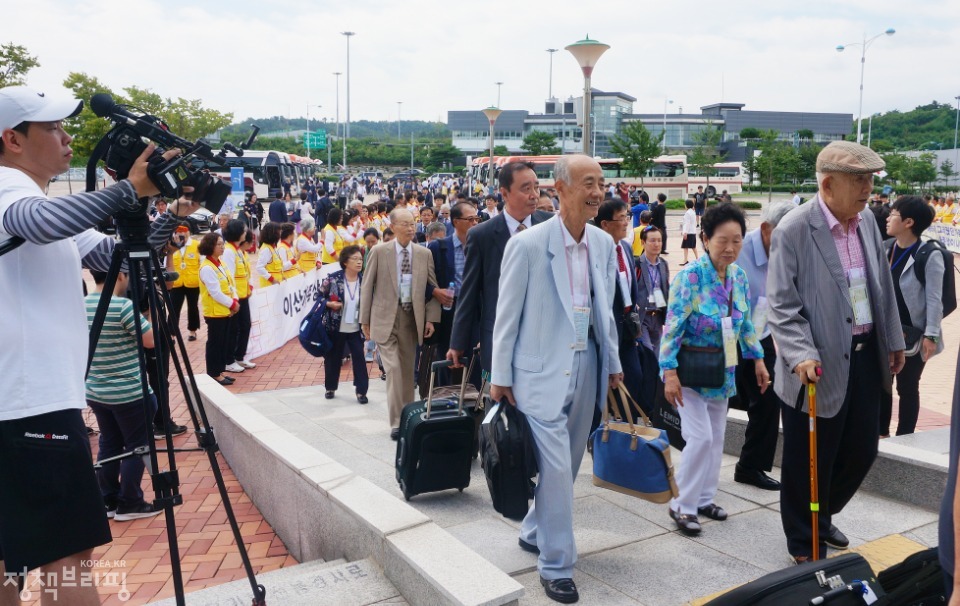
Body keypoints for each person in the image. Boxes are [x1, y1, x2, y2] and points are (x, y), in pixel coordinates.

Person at [0, 84, 196, 604]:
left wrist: (169, 210)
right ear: (11, 140)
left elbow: (113, 255)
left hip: (26, 403)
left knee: (10, 560)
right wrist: (128, 189)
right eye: (53, 127)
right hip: (31, 405)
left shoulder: (36, 199)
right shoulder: (6, 191)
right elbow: (37, 224)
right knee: (69, 557)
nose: (67, 138)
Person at [490, 155, 622, 604]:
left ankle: (533, 529)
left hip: (587, 365)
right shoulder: (528, 246)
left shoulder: (604, 245)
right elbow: (506, 317)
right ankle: (557, 565)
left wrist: (615, 365)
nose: (598, 192)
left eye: (601, 183)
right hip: (538, 372)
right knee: (559, 468)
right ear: (560, 189)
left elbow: (604, 312)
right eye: (589, 183)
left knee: (565, 461)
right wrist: (500, 375)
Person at [767, 140, 905, 563]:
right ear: (828, 184)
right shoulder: (794, 228)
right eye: (859, 180)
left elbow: (881, 286)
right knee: (810, 457)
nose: (868, 189)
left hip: (864, 355)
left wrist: (894, 340)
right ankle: (803, 540)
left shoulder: (864, 221)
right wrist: (800, 354)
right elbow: (781, 305)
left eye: (869, 180)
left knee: (863, 448)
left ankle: (823, 515)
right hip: (815, 363)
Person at [660, 202, 768, 536]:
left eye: (737, 240)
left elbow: (746, 322)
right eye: (723, 240)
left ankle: (705, 498)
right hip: (690, 371)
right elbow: (672, 326)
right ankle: (682, 504)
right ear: (705, 239)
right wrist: (669, 372)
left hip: (724, 369)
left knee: (717, 436)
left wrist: (759, 359)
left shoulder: (738, 276)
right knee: (701, 438)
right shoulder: (691, 277)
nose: (730, 248)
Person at [447, 161, 553, 379]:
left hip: (547, 338)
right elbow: (469, 292)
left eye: (536, 187)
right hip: (501, 338)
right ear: (504, 193)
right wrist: (457, 343)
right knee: (505, 403)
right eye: (526, 189)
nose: (534, 194)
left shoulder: (552, 226)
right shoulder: (482, 235)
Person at [85, 270, 163, 522]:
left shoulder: (81, 305)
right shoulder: (121, 306)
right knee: (138, 446)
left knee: (109, 442)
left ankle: (107, 498)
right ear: (119, 275)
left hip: (96, 390)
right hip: (130, 392)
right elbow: (151, 341)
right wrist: (153, 310)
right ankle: (130, 502)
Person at [360, 208, 440, 440]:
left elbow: (432, 288)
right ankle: (397, 422)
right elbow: (367, 286)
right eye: (405, 224)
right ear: (393, 227)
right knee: (393, 369)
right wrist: (364, 319)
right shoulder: (379, 251)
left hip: (410, 318)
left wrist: (432, 318)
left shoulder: (423, 254)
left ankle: (409, 417)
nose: (410, 227)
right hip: (384, 318)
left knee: (407, 372)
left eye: (413, 223)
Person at [732, 201, 795, 491]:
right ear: (767, 229)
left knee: (769, 398)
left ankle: (750, 466)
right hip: (730, 334)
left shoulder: (790, 250)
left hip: (762, 332)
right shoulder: (738, 249)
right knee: (722, 398)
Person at [880, 196, 943, 437]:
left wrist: (931, 335)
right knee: (883, 385)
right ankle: (881, 433)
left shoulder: (929, 254)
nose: (887, 218)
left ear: (908, 222)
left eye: (893, 214)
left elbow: (934, 299)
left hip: (915, 336)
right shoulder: (887, 248)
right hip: (885, 331)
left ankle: (905, 437)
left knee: (907, 387)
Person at [596, 199, 645, 414]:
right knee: (606, 383)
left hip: (627, 327)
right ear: (605, 224)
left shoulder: (624, 247)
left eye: (627, 217)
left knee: (634, 378)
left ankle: (625, 431)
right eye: (622, 218)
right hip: (606, 328)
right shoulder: (596, 252)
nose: (626, 222)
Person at [426, 202, 478, 385]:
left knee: (474, 359)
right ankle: (443, 401)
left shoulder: (480, 245)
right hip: (448, 309)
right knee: (446, 358)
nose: (475, 223)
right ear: (456, 221)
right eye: (470, 219)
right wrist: (434, 291)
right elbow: (422, 280)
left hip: (475, 309)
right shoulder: (438, 248)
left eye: (476, 219)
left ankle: (473, 403)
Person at [320, 245, 370, 404]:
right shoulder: (332, 278)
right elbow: (318, 297)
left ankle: (361, 391)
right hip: (336, 326)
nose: (359, 262)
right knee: (333, 358)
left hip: (356, 327)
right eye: (355, 259)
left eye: (360, 259)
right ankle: (330, 387)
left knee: (359, 359)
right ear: (345, 262)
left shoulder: (365, 280)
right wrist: (329, 304)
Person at [198, 233, 239, 386]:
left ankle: (220, 371)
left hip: (225, 310)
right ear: (210, 246)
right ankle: (214, 373)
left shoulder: (219, 263)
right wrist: (232, 304)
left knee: (223, 342)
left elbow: (230, 283)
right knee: (215, 343)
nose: (222, 247)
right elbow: (215, 292)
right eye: (219, 244)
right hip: (215, 312)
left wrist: (234, 299)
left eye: (223, 244)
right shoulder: (207, 267)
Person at [222, 219, 256, 373]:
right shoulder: (229, 251)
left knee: (245, 326)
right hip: (236, 298)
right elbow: (229, 278)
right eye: (243, 230)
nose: (245, 233)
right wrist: (232, 300)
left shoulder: (238, 250)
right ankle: (229, 360)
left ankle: (240, 357)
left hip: (244, 295)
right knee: (233, 329)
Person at [635, 226, 669, 353]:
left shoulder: (664, 264)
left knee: (656, 355)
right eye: (653, 240)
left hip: (658, 316)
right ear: (643, 243)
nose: (657, 244)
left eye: (659, 240)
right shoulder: (637, 264)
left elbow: (666, 289)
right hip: (642, 317)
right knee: (647, 352)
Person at [168, 222, 202, 341]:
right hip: (176, 282)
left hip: (192, 282)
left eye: (184, 231)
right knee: (173, 308)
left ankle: (192, 331)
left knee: (193, 307)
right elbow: (166, 263)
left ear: (189, 232)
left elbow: (202, 263)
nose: (181, 233)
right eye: (179, 231)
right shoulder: (171, 245)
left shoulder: (197, 245)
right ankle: (171, 333)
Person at [255, 221, 284, 287]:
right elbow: (259, 267)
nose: (280, 234)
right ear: (273, 234)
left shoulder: (273, 248)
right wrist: (272, 279)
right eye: (279, 232)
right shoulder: (266, 249)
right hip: (269, 285)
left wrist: (282, 276)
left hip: (276, 284)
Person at [679, 198, 697, 265]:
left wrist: (685, 232)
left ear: (686, 205)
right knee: (690, 246)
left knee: (689, 246)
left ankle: (687, 260)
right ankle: (687, 259)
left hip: (688, 232)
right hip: (693, 231)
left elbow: (687, 223)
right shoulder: (693, 212)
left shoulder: (687, 213)